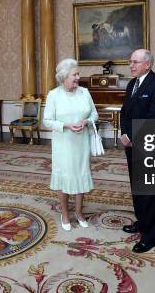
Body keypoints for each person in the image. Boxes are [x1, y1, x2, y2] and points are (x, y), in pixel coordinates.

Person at [120, 49, 155, 253]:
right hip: (131, 145)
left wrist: (132, 136)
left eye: (135, 62)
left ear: (147, 64)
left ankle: (151, 237)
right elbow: (125, 112)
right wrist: (124, 133)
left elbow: (153, 116)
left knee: (150, 192)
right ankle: (142, 221)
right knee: (137, 188)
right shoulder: (132, 84)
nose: (131, 66)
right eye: (130, 62)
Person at [43, 58, 98, 231]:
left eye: (77, 74)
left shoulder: (84, 92)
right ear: (64, 76)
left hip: (82, 143)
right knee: (65, 177)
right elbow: (47, 121)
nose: (78, 77)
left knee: (81, 175)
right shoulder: (54, 95)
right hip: (63, 144)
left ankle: (79, 213)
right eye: (75, 74)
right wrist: (66, 125)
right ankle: (65, 213)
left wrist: (86, 121)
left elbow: (95, 115)